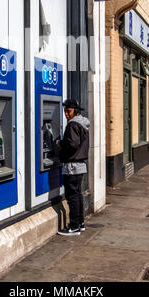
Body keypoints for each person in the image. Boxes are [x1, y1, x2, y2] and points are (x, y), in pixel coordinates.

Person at [57, 99, 90, 236]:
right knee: (77, 195)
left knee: (72, 197)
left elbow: (72, 144)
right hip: (80, 165)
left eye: (68, 111)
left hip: (72, 166)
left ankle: (74, 226)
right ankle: (80, 223)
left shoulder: (72, 125)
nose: (66, 114)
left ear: (75, 111)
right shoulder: (83, 123)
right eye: (65, 111)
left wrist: (61, 144)